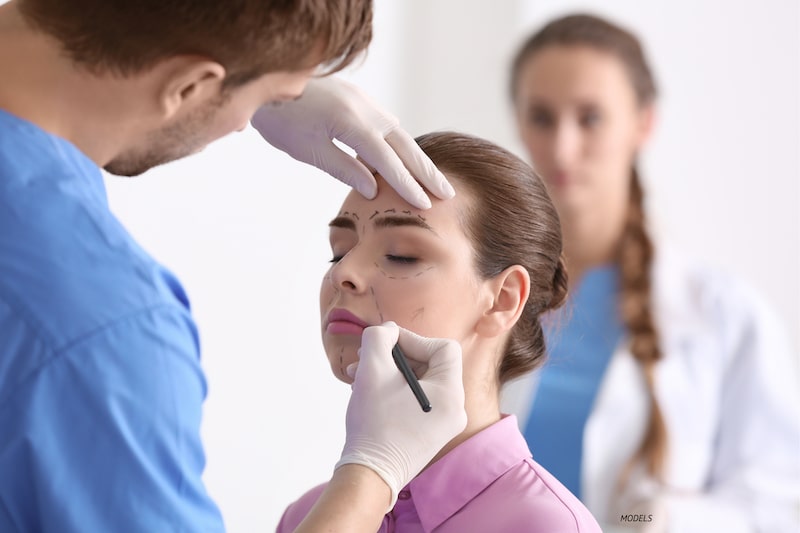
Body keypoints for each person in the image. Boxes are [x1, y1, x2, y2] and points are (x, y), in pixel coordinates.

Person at [0, 1, 469, 532]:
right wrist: (372, 474)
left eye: (403, 255)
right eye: (262, 100)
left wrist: (253, 92)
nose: (344, 275)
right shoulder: (104, 329)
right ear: (188, 85)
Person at [503, 13, 800, 532]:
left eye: (590, 117)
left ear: (643, 123)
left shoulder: (721, 313)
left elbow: (781, 501)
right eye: (542, 117)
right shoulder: (486, 294)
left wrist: (667, 519)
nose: (563, 147)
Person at [276, 131, 603, 532]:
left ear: (503, 299)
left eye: (401, 255)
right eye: (339, 251)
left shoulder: (545, 526)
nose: (343, 272)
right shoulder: (305, 516)